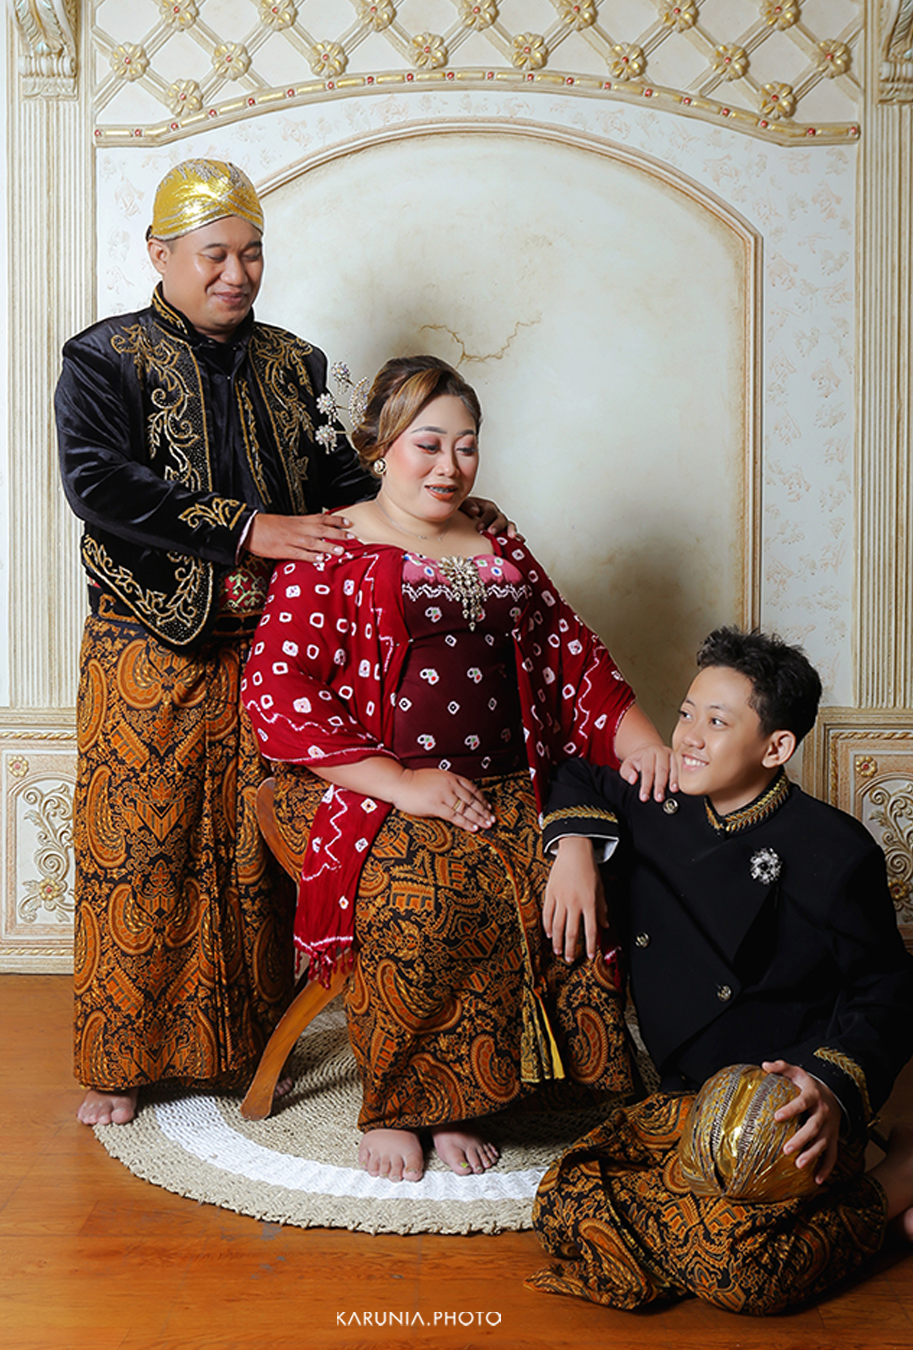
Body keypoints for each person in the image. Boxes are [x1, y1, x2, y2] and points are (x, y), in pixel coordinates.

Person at [57, 162, 508, 1129]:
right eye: (214, 253)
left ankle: (255, 1042)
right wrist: (250, 529)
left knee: (255, 860)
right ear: (160, 254)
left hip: (278, 651)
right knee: (144, 854)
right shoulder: (105, 359)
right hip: (151, 649)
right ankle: (123, 1063)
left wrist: (426, 502)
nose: (237, 272)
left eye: (251, 251)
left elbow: (348, 480)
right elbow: (99, 485)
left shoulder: (294, 364)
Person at [243, 355, 672, 1181]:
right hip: (367, 787)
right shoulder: (333, 546)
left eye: (467, 447)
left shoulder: (498, 539)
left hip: (514, 783)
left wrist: (641, 740)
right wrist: (402, 783)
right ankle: (407, 1103)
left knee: (564, 880)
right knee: (432, 894)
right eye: (427, 445)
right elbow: (277, 691)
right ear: (380, 446)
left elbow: (571, 656)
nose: (449, 467)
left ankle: (526, 1093)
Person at [528, 627, 913, 1314]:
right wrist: (577, 851)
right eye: (685, 713)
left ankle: (907, 1177)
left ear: (775, 748)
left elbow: (890, 989)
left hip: (783, 1106)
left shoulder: (833, 850)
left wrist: (828, 1085)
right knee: (564, 1200)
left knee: (750, 1272)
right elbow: (574, 773)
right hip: (685, 1098)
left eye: (717, 721)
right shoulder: (655, 799)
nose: (689, 738)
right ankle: (874, 1213)